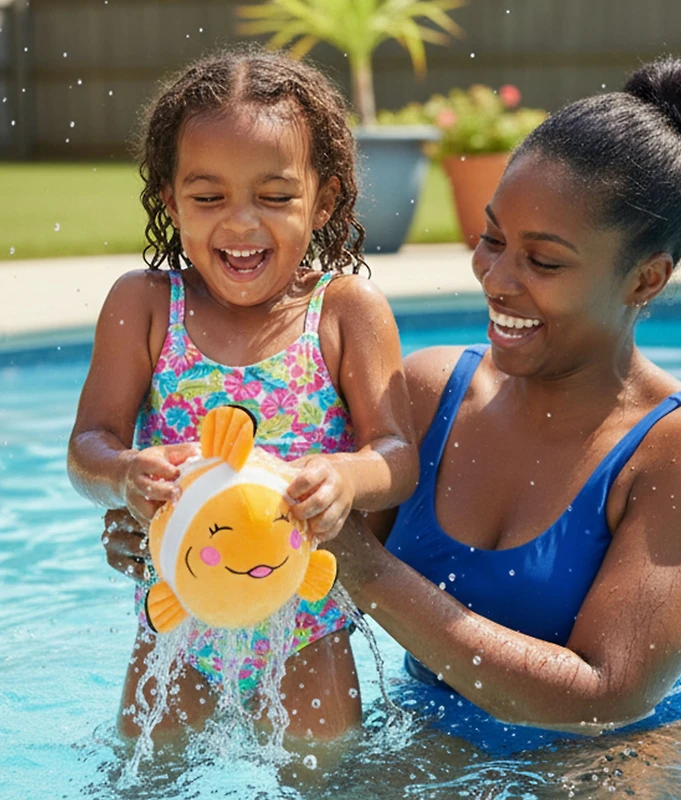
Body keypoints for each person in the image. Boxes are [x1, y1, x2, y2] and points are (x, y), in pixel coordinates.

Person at [102, 54, 681, 758]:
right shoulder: (429, 392)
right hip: (432, 740)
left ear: (645, 279)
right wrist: (184, 538)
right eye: (492, 240)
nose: (497, 280)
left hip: (610, 759)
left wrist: (358, 560)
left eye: (543, 262)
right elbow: (289, 564)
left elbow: (604, 697)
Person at [68, 49, 418, 745]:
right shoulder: (144, 306)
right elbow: (87, 446)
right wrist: (123, 474)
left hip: (307, 624)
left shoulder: (346, 310)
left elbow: (397, 454)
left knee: (329, 784)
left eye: (275, 196)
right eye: (208, 197)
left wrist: (346, 477)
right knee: (146, 778)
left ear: (323, 200)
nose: (241, 224)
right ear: (169, 200)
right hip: (177, 619)